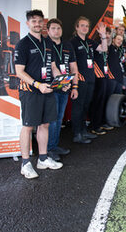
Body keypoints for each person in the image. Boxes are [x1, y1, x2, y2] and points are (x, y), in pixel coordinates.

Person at [14, 9, 65, 179]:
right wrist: (37, 84)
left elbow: (53, 67)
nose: (37, 24)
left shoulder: (48, 43)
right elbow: (19, 72)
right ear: (28, 23)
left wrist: (62, 82)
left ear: (44, 23)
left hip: (48, 90)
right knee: (28, 126)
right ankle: (25, 163)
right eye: (33, 21)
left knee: (45, 124)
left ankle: (43, 159)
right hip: (31, 91)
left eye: (39, 21)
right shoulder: (23, 44)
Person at [69, 16, 107, 143]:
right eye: (82, 25)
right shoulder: (72, 42)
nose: (85, 28)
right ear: (77, 27)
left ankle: (83, 131)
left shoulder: (89, 42)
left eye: (87, 26)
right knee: (78, 107)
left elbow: (104, 49)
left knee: (86, 106)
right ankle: (77, 133)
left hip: (91, 78)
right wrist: (75, 79)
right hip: (79, 79)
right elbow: (70, 63)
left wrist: (103, 35)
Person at [46, 18, 78, 161]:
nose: (56, 31)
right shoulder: (45, 44)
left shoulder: (67, 45)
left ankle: (54, 144)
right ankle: (48, 149)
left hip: (64, 88)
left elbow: (73, 67)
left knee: (59, 119)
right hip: (50, 88)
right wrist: (62, 82)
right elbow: (53, 67)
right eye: (53, 28)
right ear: (47, 31)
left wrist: (75, 86)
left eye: (58, 28)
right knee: (51, 119)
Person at [89, 27, 114, 134]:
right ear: (99, 34)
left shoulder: (107, 45)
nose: (107, 36)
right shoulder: (95, 44)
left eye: (108, 34)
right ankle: (95, 125)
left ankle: (101, 122)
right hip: (97, 76)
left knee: (103, 100)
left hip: (104, 75)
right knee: (97, 101)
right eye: (105, 33)